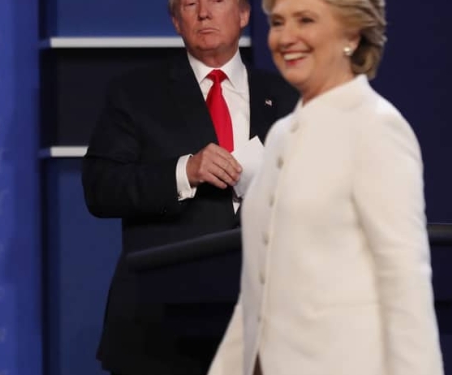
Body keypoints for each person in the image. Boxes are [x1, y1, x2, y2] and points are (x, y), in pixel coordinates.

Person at [207, 0, 445, 374]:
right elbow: (258, 293)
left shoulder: (375, 127)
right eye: (279, 22)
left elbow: (405, 283)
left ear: (352, 34)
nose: (287, 37)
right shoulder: (282, 135)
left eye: (306, 20)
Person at [81, 0, 298, 373]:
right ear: (175, 21)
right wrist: (185, 171)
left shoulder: (287, 96)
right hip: (160, 328)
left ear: (244, 15)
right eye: (190, 3)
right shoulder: (134, 93)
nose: (204, 12)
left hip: (265, 327)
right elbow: (101, 188)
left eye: (216, 1)